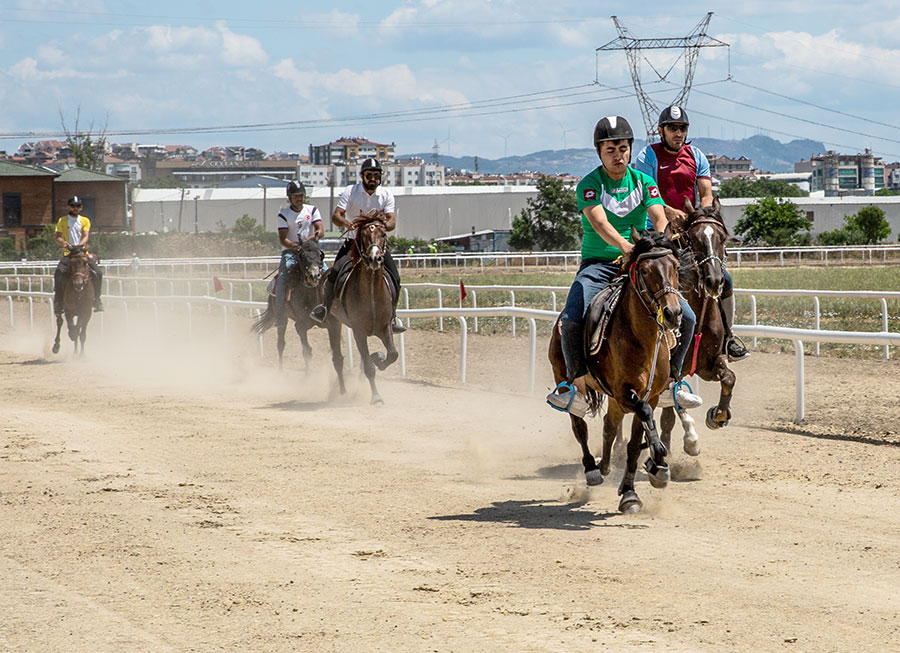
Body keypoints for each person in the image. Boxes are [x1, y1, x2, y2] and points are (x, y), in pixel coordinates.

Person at [547, 116, 701, 417]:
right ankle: (574, 386)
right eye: (610, 150)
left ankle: (673, 382)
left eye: (622, 148)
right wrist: (626, 247)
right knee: (572, 317)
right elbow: (600, 223)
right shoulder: (590, 185)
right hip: (599, 265)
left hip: (640, 264)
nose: (617, 155)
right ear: (599, 153)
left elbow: (658, 216)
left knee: (688, 317)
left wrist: (660, 241)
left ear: (630, 149)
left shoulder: (644, 182)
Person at [634, 105, 750, 362]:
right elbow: (645, 194)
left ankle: (728, 338)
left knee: (724, 279)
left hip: (689, 233)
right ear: (660, 130)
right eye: (673, 128)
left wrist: (704, 213)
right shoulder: (647, 156)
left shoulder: (696, 155)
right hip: (657, 234)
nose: (678, 133)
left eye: (682, 128)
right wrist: (666, 211)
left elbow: (706, 192)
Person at [310, 158, 406, 333]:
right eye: (369, 175)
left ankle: (392, 316)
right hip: (353, 244)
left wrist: (383, 227)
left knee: (395, 277)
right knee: (334, 273)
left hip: (375, 244)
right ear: (362, 176)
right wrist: (347, 224)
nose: (373, 179)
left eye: (376, 176)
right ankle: (324, 307)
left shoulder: (386, 195)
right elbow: (336, 215)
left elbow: (392, 220)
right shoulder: (351, 191)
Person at [274, 180, 324, 326]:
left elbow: (320, 230)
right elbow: (283, 239)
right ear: (289, 197)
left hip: (311, 251)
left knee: (327, 273)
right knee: (283, 276)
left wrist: (312, 239)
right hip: (291, 251)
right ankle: (279, 314)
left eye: (301, 195)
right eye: (296, 196)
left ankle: (328, 308)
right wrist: (297, 247)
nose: (299, 199)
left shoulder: (312, 210)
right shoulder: (283, 215)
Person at [53, 196, 103, 314]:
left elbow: (86, 235)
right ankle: (59, 302)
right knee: (59, 273)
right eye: (73, 205)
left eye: (78, 206)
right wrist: (66, 244)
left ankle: (97, 300)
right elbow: (58, 236)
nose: (75, 208)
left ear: (81, 207)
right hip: (68, 253)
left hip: (81, 253)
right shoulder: (62, 220)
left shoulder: (85, 220)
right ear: (68, 207)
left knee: (98, 273)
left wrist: (79, 246)